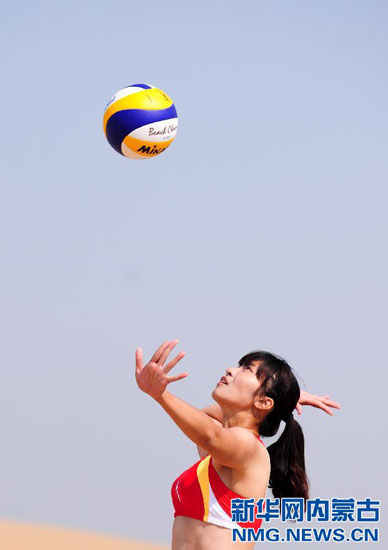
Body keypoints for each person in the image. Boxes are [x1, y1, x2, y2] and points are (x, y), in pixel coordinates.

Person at [135, 340, 340, 550]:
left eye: (247, 369)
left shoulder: (249, 448)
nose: (230, 370)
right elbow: (204, 420)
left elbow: (209, 434)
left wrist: (160, 394)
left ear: (264, 402)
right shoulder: (222, 450)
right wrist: (280, 401)